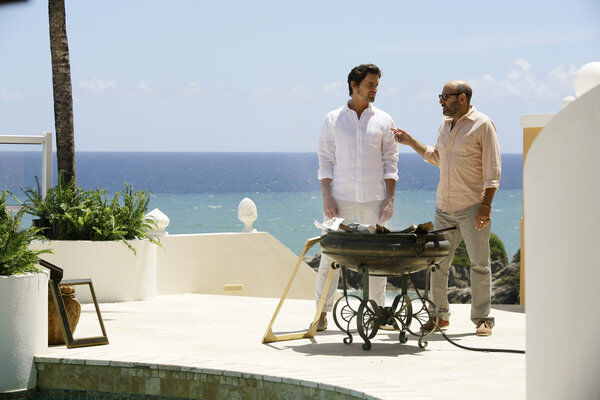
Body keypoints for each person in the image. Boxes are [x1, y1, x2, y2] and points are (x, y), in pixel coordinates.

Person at [393, 80, 501, 336]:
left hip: (473, 206)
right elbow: (437, 158)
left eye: (444, 96)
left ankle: (482, 318)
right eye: (440, 96)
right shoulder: (444, 126)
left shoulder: (483, 125)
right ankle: (439, 316)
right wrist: (409, 141)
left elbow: (493, 170)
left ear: (461, 98)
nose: (440, 101)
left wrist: (486, 205)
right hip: (444, 207)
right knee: (437, 264)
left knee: (479, 265)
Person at [315, 63, 399, 331]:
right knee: (330, 257)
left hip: (375, 200)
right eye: (370, 85)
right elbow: (326, 161)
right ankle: (321, 313)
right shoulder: (332, 119)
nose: (375, 89)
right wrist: (327, 197)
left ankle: (377, 314)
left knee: (378, 259)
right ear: (354, 85)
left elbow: (391, 163)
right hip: (341, 199)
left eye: (376, 85)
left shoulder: (385, 120)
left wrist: (389, 199)